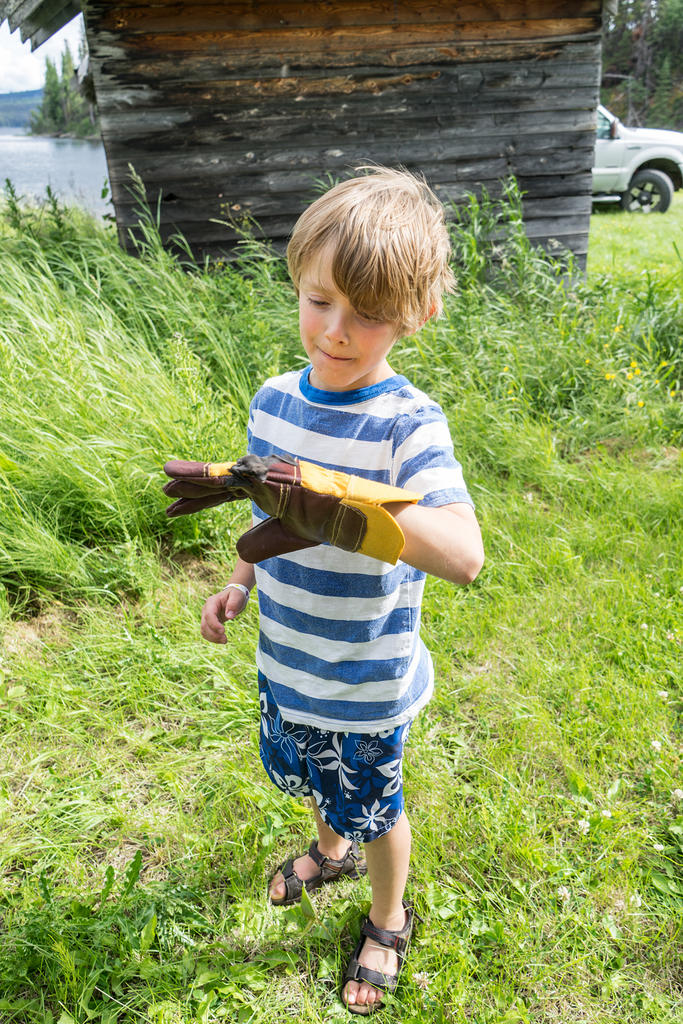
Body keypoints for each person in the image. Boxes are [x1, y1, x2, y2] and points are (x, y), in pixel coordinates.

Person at [199, 167, 484, 1014]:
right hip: (289, 656)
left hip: (363, 678)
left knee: (374, 804)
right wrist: (241, 577)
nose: (335, 330)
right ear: (298, 281)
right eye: (320, 300)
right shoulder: (273, 399)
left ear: (416, 314)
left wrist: (347, 500)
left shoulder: (407, 425)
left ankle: (387, 916)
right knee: (309, 777)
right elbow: (266, 505)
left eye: (367, 313)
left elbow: (463, 554)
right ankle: (329, 853)